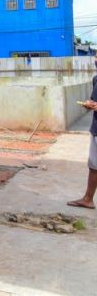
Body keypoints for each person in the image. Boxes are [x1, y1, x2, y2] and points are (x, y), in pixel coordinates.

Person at [68, 55, 97, 209]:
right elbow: (94, 101)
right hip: (96, 129)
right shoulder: (96, 79)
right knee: (94, 165)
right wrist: (89, 104)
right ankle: (88, 199)